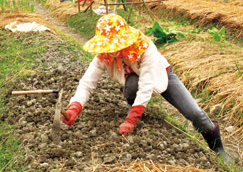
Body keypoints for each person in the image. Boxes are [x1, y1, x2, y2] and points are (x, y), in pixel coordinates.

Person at [62, 14, 231, 164]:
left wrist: (131, 119)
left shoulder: (144, 48)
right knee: (132, 86)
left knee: (194, 112)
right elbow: (87, 82)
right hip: (134, 82)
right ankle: (135, 107)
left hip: (160, 75)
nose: (113, 49)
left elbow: (147, 84)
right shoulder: (105, 54)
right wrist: (74, 108)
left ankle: (217, 147)